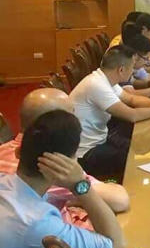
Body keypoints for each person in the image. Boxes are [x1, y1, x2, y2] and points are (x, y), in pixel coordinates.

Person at [0, 110, 125, 248]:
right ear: (65, 167)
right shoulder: (36, 221)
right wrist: (80, 185)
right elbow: (115, 244)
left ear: (18, 152)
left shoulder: (5, 181)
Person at [0, 88, 130, 216]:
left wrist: (74, 199)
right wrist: (80, 190)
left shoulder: (5, 149)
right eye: (72, 113)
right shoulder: (49, 161)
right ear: (56, 124)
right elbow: (119, 201)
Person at [70, 45, 150, 182]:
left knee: (137, 145)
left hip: (101, 138)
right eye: (131, 67)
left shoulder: (105, 79)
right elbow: (132, 115)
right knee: (135, 156)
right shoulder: (96, 85)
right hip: (87, 153)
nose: (133, 71)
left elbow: (131, 99)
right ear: (121, 70)